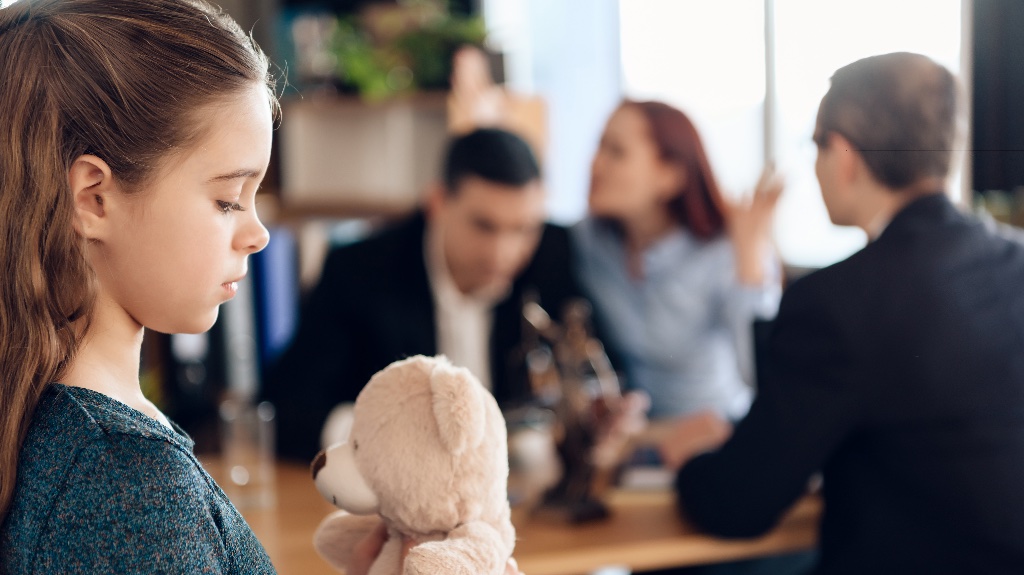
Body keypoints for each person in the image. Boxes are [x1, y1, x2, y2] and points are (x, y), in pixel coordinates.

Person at [671, 52, 1024, 574]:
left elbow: (738, 505)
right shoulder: (1015, 262)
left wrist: (688, 461)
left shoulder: (835, 302)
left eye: (814, 145)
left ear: (843, 155)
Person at [0, 0, 278, 571]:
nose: (258, 235)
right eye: (228, 200)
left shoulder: (66, 429)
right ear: (93, 200)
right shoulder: (131, 483)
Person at [265, 127, 586, 462]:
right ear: (437, 202)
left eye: (523, 229)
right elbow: (287, 407)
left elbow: (593, 371)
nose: (503, 253)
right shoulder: (359, 271)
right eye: (484, 226)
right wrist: (378, 434)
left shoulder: (552, 254)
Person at [572, 100, 783, 423]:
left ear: (669, 176)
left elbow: (761, 374)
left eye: (616, 152)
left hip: (714, 430)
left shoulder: (726, 252)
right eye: (599, 146)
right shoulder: (589, 240)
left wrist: (749, 260)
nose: (596, 164)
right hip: (634, 434)